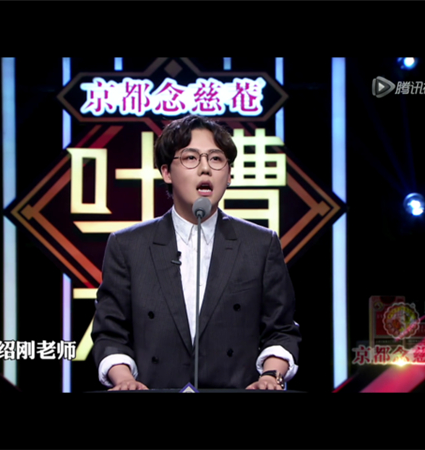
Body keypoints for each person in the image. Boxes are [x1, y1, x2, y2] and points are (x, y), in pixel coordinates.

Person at [91, 115, 301, 390]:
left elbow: (281, 330)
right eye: (191, 158)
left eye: (216, 159)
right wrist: (126, 381)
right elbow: (110, 333)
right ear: (167, 172)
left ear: (229, 175)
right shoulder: (128, 245)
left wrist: (270, 377)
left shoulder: (260, 244)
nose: (205, 169)